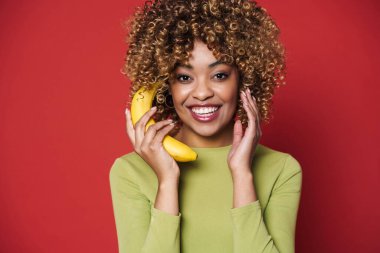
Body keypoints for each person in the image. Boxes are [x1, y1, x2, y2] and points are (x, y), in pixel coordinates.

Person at [109, 0, 302, 253]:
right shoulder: (129, 172)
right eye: (184, 77)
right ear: (166, 85)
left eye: (219, 75)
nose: (201, 93)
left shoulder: (282, 170)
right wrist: (167, 182)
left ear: (243, 79)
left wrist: (242, 175)